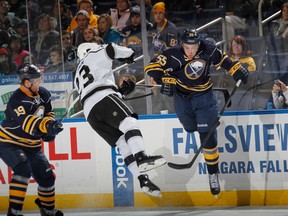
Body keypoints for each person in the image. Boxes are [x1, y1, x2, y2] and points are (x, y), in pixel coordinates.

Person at [144, 28, 249, 196]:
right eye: (187, 47)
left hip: (204, 97)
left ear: (199, 43)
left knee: (206, 134)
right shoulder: (172, 53)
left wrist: (236, 69)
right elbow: (151, 67)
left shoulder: (207, 48)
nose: (191, 51)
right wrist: (164, 79)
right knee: (190, 127)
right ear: (182, 45)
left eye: (194, 46)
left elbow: (223, 60)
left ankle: (212, 173)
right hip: (182, 99)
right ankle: (205, 125)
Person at [74, 42, 167, 197]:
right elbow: (111, 49)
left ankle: (142, 179)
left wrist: (120, 92)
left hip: (90, 113)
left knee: (122, 143)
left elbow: (94, 85)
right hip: (103, 97)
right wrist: (129, 54)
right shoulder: (93, 53)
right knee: (129, 122)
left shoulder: (78, 72)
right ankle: (142, 157)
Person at [0, 63, 64, 216]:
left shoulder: (43, 94)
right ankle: (14, 212)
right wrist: (46, 127)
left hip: (32, 145)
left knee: (47, 177)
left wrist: (50, 129)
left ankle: (48, 210)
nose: (40, 82)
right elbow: (28, 124)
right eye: (37, 80)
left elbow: (49, 114)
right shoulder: (17, 99)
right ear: (27, 82)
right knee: (23, 169)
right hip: (9, 143)